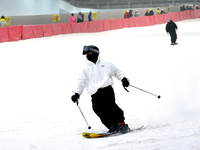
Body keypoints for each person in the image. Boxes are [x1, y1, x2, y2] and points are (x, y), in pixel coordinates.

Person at [71, 45, 130, 134]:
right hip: (95, 93)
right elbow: (81, 82)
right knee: (97, 108)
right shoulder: (85, 68)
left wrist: (123, 79)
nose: (87, 55)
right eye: (86, 54)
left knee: (110, 106)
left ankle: (121, 123)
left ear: (95, 53)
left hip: (107, 90)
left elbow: (117, 72)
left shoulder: (106, 64)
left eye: (89, 53)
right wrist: (77, 94)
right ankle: (112, 125)